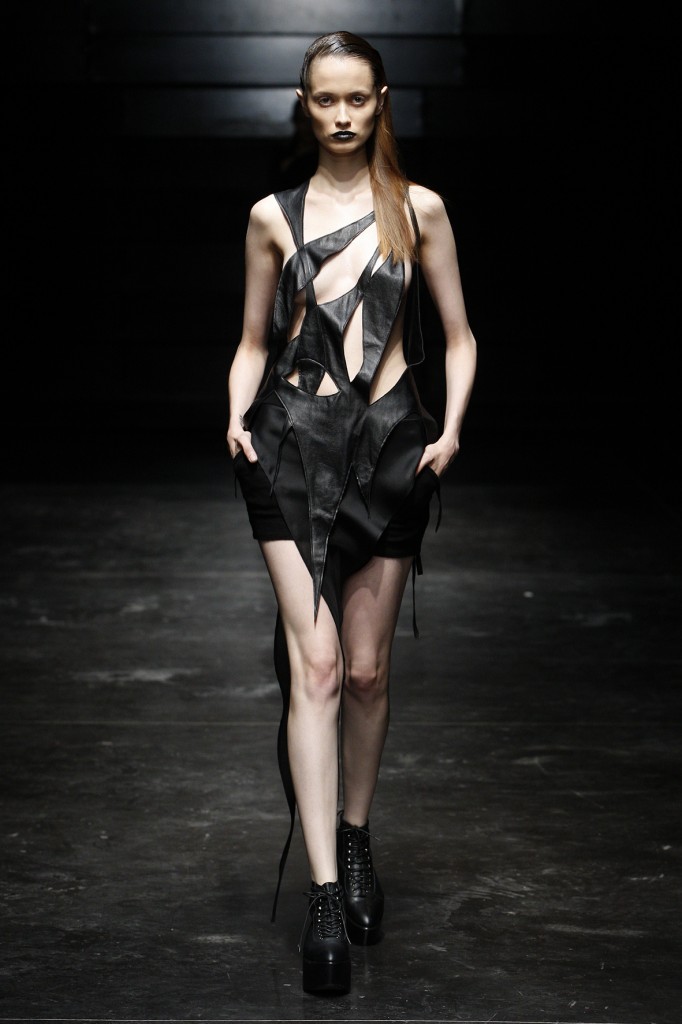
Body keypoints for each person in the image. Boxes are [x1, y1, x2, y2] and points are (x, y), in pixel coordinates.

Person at [227, 31, 476, 996]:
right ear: (304, 103)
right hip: (289, 448)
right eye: (324, 99)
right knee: (319, 666)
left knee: (368, 672)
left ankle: (357, 836)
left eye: (356, 100)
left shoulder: (420, 210)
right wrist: (234, 416)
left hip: (391, 449)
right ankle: (325, 895)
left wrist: (450, 430)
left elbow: (458, 334)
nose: (340, 116)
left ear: (381, 102)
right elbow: (254, 340)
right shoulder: (271, 217)